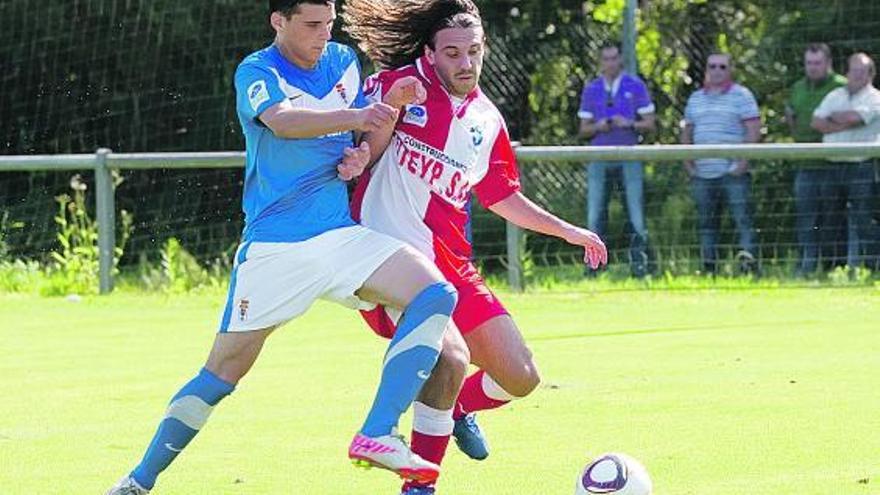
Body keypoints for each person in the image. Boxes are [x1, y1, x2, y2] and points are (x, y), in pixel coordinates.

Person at [105, 1, 471, 493]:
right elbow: (283, 121)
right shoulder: (256, 70)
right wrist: (361, 113)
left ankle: (377, 431)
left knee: (435, 293)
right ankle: (138, 481)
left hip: (339, 235)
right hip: (277, 249)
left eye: (329, 24)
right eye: (312, 25)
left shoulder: (343, 61)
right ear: (279, 22)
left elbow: (358, 138)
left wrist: (361, 153)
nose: (324, 35)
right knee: (219, 375)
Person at [342, 1, 608, 493]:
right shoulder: (396, 87)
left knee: (521, 377)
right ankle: (419, 486)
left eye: (474, 52)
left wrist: (568, 231)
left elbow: (501, 195)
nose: (465, 63)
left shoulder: (487, 119)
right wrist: (370, 139)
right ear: (430, 52)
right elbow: (356, 145)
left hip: (454, 268)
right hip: (390, 259)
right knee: (450, 356)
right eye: (452, 53)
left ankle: (456, 405)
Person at [578, 42, 656, 277]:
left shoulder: (635, 85)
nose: (610, 63)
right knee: (595, 213)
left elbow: (650, 123)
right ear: (600, 62)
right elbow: (583, 129)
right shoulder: (592, 89)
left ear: (620, 60)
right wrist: (598, 126)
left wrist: (629, 123)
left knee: (635, 212)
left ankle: (640, 266)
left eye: (614, 58)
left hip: (629, 154)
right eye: (606, 59)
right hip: (599, 156)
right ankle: (594, 268)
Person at [681, 53, 762, 275]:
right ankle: (709, 269)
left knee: (742, 221)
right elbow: (687, 132)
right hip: (702, 174)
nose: (717, 70)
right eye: (712, 66)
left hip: (733, 173)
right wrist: (689, 165)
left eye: (722, 66)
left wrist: (742, 163)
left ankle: (749, 267)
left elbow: (753, 130)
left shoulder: (742, 96)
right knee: (706, 225)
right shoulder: (695, 98)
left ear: (730, 70)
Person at [811, 52, 880, 270]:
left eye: (861, 71)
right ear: (847, 72)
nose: (856, 75)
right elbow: (816, 122)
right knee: (831, 220)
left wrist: (835, 119)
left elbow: (857, 118)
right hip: (832, 165)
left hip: (862, 166)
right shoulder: (834, 95)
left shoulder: (875, 98)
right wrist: (845, 122)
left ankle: (872, 269)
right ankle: (833, 269)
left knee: (864, 219)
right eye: (853, 70)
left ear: (871, 74)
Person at [785, 43, 848, 277]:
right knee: (806, 218)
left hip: (833, 164)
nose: (812, 68)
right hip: (805, 164)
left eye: (817, 63)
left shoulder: (842, 87)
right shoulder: (798, 87)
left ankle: (833, 267)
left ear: (828, 63)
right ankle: (807, 266)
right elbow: (791, 115)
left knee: (833, 217)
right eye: (809, 63)